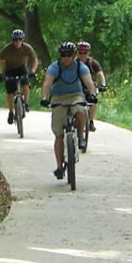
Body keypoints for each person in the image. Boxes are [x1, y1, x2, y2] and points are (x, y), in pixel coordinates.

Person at [40, 41, 97, 179]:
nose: (66, 58)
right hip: (58, 97)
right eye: (63, 55)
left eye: (69, 55)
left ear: (74, 56)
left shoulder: (80, 67)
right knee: (59, 134)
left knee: (80, 109)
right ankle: (59, 167)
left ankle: (80, 136)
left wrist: (93, 94)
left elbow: (89, 82)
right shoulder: (55, 67)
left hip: (75, 95)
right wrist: (44, 97)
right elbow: (47, 83)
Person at [0, 29, 39, 125]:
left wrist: (33, 71)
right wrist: (0, 73)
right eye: (15, 40)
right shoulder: (7, 48)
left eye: (19, 40)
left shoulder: (27, 48)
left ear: (22, 40)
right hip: (10, 69)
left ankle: (26, 103)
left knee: (25, 84)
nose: (17, 42)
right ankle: (11, 112)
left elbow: (35, 59)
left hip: (22, 68)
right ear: (12, 40)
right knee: (10, 92)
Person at [76, 41, 108, 130]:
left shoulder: (92, 63)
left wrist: (103, 85)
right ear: (77, 53)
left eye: (85, 53)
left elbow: (100, 75)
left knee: (94, 100)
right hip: (76, 87)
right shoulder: (73, 63)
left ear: (88, 53)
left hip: (89, 88)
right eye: (80, 53)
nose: (82, 55)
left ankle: (90, 121)